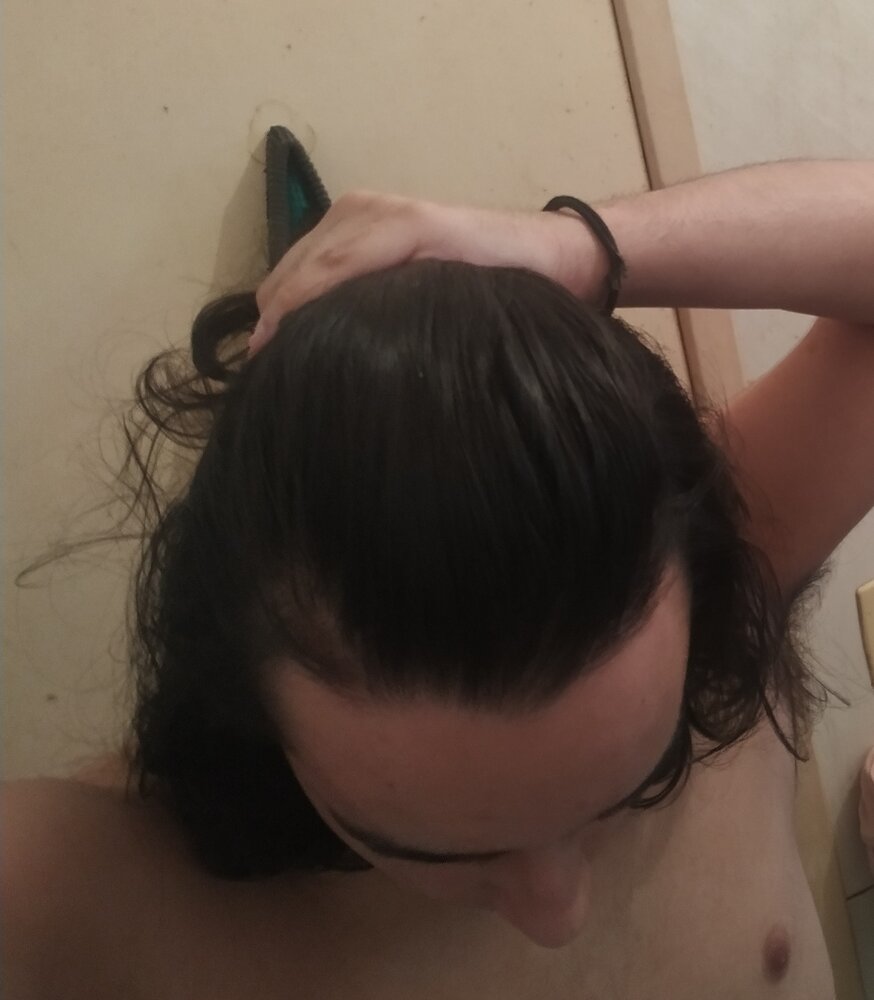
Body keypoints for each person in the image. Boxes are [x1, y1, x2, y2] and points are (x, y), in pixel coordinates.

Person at [4, 158, 874, 999]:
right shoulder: (75, 901)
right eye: (435, 852)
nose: (558, 914)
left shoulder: (725, 584)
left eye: (641, 780)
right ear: (245, 707)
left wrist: (580, 247)